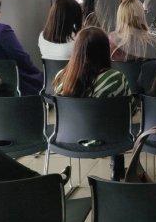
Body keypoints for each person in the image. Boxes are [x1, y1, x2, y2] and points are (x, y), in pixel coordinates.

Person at [52, 26, 129, 180]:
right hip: (109, 139)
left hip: (70, 138)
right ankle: (117, 171)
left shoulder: (61, 77)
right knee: (117, 121)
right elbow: (128, 110)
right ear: (104, 50)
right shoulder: (116, 78)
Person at [0, 0, 43, 95]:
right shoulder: (2, 31)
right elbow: (21, 58)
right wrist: (36, 72)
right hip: (9, 86)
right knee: (42, 80)